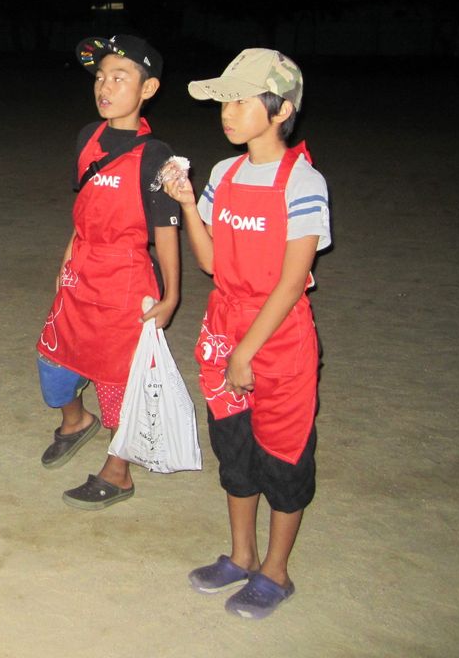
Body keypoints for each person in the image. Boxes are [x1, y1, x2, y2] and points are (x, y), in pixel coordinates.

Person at [162, 47, 330, 620]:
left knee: (283, 455)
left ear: (280, 110)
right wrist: (189, 205)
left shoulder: (303, 182)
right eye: (224, 102)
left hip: (278, 341)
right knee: (234, 449)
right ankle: (241, 555)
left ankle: (275, 572)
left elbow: (292, 282)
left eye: (239, 101)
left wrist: (247, 352)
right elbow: (212, 263)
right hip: (224, 328)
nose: (227, 113)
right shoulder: (223, 173)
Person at [37, 34, 182, 509]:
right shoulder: (88, 138)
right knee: (52, 361)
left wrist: (171, 295)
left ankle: (118, 471)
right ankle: (76, 420)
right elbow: (86, 207)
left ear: (148, 88)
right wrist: (66, 260)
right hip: (82, 268)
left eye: (120, 78)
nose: (105, 86)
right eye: (100, 77)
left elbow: (166, 230)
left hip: (126, 279)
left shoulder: (156, 155)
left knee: (117, 382)